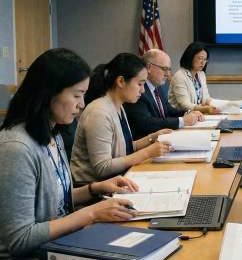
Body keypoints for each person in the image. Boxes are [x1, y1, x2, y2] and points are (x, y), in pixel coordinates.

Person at [0, 48, 140, 260]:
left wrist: (94, 189)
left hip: (53, 244)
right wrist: (91, 213)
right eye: (76, 95)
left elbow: (53, 199)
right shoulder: (16, 149)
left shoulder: (51, 132)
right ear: (48, 93)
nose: (82, 104)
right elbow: (20, 239)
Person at [70, 53, 174, 183]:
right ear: (120, 81)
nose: (142, 90)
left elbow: (122, 149)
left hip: (116, 180)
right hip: (94, 187)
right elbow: (103, 167)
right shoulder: (99, 112)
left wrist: (152, 138)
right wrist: (147, 153)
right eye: (140, 84)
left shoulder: (118, 106)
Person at [124, 49, 204, 139]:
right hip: (147, 142)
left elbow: (169, 111)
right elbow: (147, 123)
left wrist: (189, 112)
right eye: (164, 69)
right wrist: (182, 121)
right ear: (149, 67)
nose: (168, 74)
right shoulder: (138, 91)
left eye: (169, 69)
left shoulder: (158, 87)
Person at [168, 42, 222, 115]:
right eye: (200, 58)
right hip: (181, 116)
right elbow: (185, 105)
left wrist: (223, 104)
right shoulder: (179, 76)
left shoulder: (201, 74)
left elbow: (206, 99)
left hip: (197, 115)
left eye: (205, 59)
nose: (203, 62)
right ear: (190, 57)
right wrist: (206, 109)